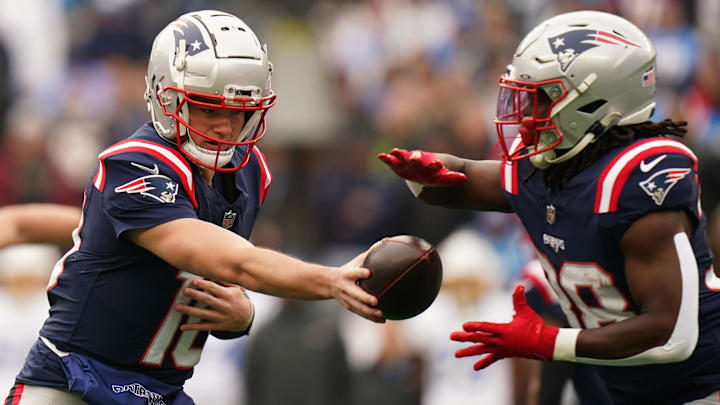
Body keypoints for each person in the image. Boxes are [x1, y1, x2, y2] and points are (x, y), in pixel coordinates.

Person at [4, 10, 383, 405]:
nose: (224, 127)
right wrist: (332, 281)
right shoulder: (135, 164)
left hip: (160, 393)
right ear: (165, 97)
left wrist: (242, 316)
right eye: (208, 108)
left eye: (237, 112)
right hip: (75, 383)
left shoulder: (250, 172)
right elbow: (231, 261)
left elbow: (208, 285)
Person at [379, 10, 720, 405]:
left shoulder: (635, 180)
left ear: (595, 100)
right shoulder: (552, 167)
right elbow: (460, 182)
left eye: (542, 98)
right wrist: (421, 171)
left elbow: (672, 335)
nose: (525, 115)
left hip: (701, 387)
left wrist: (547, 341)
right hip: (626, 389)